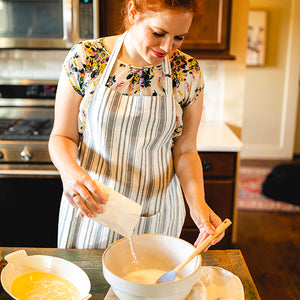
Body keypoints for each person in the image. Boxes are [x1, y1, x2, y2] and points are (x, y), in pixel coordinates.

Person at [49, 0, 225, 249]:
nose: (167, 47)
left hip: (158, 214)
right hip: (93, 208)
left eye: (179, 38)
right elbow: (62, 136)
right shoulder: (86, 58)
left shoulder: (187, 72)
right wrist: (69, 173)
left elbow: (185, 150)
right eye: (158, 33)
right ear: (133, 12)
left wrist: (198, 206)